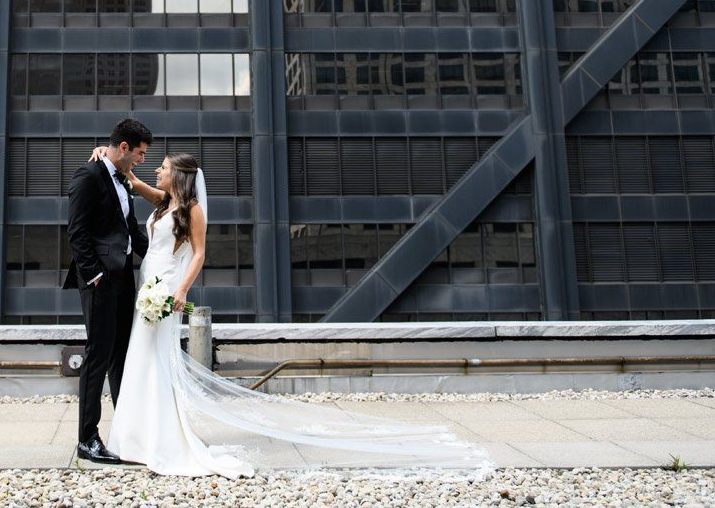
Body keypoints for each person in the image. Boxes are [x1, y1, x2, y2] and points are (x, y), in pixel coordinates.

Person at [88, 145, 491, 479]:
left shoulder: (191, 210)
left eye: (162, 168)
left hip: (166, 294)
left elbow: (200, 254)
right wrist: (110, 160)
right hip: (147, 290)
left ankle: (160, 440)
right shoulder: (164, 203)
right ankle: (133, 438)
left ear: (179, 176)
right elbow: (137, 184)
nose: (156, 171)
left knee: (157, 363)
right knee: (139, 361)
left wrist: (181, 291)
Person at [62, 118, 152, 464]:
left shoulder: (123, 181)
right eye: (140, 154)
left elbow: (129, 229)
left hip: (124, 278)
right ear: (124, 147)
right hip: (100, 280)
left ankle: (124, 430)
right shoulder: (88, 175)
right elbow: (77, 231)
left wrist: (157, 259)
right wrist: (94, 274)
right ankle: (87, 439)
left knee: (120, 355)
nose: (142, 160)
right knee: (98, 356)